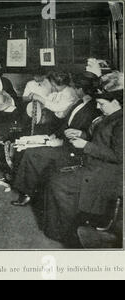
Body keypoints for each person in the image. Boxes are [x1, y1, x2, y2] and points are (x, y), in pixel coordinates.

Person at [43, 90, 122, 247]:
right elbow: (101, 139)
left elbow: (119, 156)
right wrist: (82, 134)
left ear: (115, 102)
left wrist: (86, 145)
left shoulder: (121, 122)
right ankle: (67, 226)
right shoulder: (112, 117)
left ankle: (64, 232)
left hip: (110, 172)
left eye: (102, 104)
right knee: (56, 172)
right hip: (97, 164)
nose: (98, 107)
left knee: (58, 183)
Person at [11, 72, 102, 207]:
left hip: (74, 149)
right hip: (63, 140)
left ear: (81, 90)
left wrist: (76, 135)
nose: (73, 90)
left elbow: (91, 135)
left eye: (75, 88)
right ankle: (28, 192)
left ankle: (27, 193)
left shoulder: (93, 108)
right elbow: (66, 122)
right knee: (30, 148)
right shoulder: (80, 102)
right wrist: (55, 135)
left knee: (33, 154)